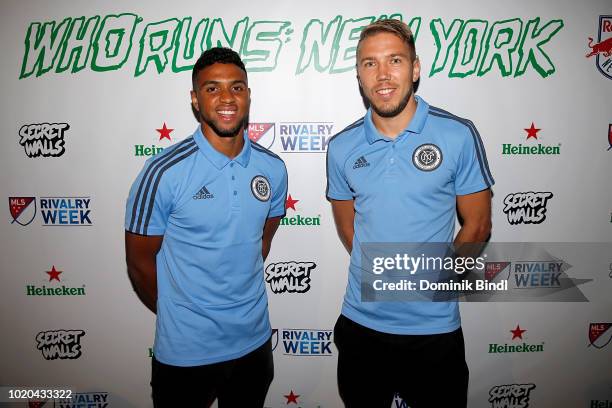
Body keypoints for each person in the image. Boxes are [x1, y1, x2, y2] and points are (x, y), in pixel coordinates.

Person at [326, 19, 494, 407]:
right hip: (361, 326)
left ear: (415, 69)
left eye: (395, 61)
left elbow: (478, 225)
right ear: (358, 74)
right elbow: (348, 227)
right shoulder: (341, 146)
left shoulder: (457, 134)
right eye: (370, 63)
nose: (383, 75)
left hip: (434, 332)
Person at [124, 47, 287, 407]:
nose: (227, 98)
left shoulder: (273, 168)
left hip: (253, 344)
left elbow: (262, 240)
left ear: (248, 94)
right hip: (186, 353)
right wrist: (183, 314)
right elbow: (138, 263)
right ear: (195, 100)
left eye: (237, 87)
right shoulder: (163, 171)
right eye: (212, 88)